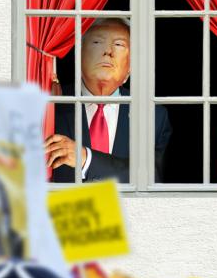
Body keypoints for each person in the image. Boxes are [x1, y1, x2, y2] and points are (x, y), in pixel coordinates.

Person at [46, 18, 172, 183]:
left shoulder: (154, 116)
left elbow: (151, 177)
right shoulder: (52, 103)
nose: (108, 52)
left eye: (119, 45)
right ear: (79, 55)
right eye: (97, 42)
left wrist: (86, 159)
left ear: (130, 66)